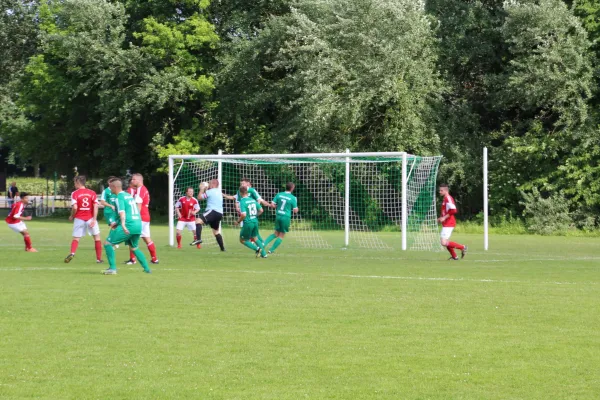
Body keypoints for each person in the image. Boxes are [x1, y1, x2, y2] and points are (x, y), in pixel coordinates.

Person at [102, 179, 151, 274]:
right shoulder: (128, 196)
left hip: (128, 225)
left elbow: (122, 212)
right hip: (138, 224)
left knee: (108, 243)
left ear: (114, 187)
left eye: (110, 187)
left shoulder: (119, 197)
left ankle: (112, 269)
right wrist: (117, 222)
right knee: (134, 247)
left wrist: (123, 225)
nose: (110, 189)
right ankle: (147, 269)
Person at [64, 176, 103, 264]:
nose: (74, 184)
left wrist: (72, 216)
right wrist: (94, 219)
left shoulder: (75, 193)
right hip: (90, 218)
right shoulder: (92, 193)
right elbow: (96, 206)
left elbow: (75, 207)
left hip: (79, 218)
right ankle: (98, 259)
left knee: (76, 238)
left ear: (78, 183)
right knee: (97, 238)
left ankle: (72, 253)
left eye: (75, 182)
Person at [124, 173, 159, 265]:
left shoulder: (140, 190)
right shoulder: (143, 189)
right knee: (146, 238)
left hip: (141, 217)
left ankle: (133, 259)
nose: (132, 181)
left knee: (131, 237)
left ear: (139, 180)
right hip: (145, 216)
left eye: (134, 179)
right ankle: (154, 259)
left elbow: (138, 206)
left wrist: (134, 217)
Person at [223, 178, 270, 242]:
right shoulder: (240, 191)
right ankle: (259, 243)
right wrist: (237, 207)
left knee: (249, 230)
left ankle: (257, 243)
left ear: (248, 183)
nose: (242, 185)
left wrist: (257, 207)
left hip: (250, 212)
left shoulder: (252, 190)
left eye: (243, 183)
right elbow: (236, 199)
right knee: (251, 230)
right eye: (241, 184)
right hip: (245, 211)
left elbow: (259, 199)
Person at [264, 182, 299, 254]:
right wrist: (295, 208)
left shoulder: (279, 194)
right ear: (292, 188)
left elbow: (272, 205)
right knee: (281, 234)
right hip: (286, 217)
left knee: (275, 233)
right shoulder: (292, 198)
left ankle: (262, 245)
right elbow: (295, 211)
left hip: (278, 215)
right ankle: (271, 250)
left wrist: (278, 207)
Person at [191, 179, 226, 251]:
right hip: (219, 213)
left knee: (198, 221)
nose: (209, 185)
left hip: (212, 211)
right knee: (216, 232)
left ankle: (198, 239)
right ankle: (222, 248)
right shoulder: (219, 192)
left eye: (209, 184)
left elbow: (199, 197)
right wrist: (206, 189)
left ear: (213, 185)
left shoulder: (210, 192)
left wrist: (202, 189)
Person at [438, 183, 467, 260]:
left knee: (443, 242)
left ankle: (463, 247)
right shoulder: (445, 198)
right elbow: (446, 211)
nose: (439, 192)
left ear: (445, 191)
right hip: (446, 223)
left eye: (441, 190)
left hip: (449, 223)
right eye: (439, 190)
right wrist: (441, 218)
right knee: (446, 242)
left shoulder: (448, 198)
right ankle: (454, 257)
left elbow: (454, 210)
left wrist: (444, 217)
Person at [236, 186, 267, 258]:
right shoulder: (253, 200)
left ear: (240, 193)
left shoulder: (242, 201)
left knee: (242, 240)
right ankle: (264, 254)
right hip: (255, 222)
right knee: (255, 238)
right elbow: (261, 210)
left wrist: (238, 221)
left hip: (248, 223)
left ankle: (257, 249)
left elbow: (243, 214)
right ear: (247, 192)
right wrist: (255, 215)